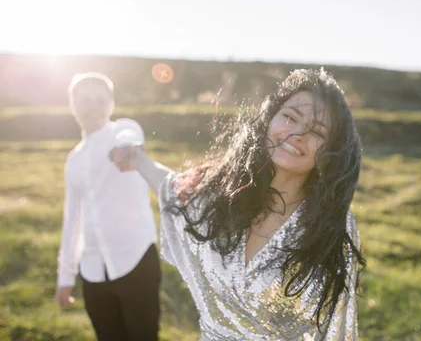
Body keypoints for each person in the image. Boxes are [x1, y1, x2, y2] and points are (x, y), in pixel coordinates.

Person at [112, 68, 366, 340]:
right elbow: (174, 188)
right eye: (290, 117)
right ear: (270, 120)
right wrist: (139, 160)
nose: (297, 133)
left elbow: (338, 326)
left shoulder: (330, 226)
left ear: (330, 153)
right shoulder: (223, 197)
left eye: (316, 131)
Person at [55, 72, 161, 341]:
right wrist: (65, 276)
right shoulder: (74, 159)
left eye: (100, 100)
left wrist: (126, 148)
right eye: (85, 100)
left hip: (136, 260)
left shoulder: (124, 130)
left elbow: (129, 135)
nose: (93, 107)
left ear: (111, 104)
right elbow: (73, 220)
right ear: (73, 105)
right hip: (92, 270)